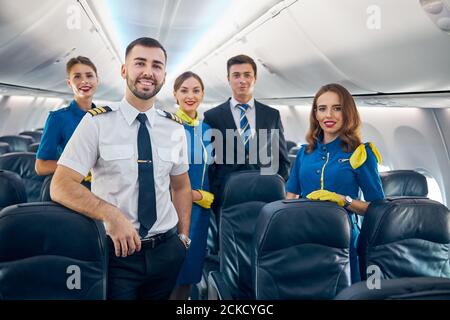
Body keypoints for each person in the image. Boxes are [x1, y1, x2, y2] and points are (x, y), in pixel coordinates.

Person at [50, 37, 192, 299]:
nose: (148, 72)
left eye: (157, 66)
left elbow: (181, 186)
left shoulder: (174, 128)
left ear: (164, 75)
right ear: (124, 70)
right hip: (116, 252)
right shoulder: (97, 123)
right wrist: (111, 215)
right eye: (140, 63)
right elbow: (60, 185)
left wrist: (183, 238)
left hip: (166, 251)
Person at [286, 83, 385, 283]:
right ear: (315, 114)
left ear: (347, 112)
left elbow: (377, 210)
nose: (328, 115)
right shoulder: (305, 154)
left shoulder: (360, 153)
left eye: (337, 108)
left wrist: (344, 200)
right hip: (303, 238)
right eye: (322, 108)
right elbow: (288, 201)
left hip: (344, 240)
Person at [203, 54, 290, 210]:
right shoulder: (212, 117)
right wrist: (217, 191)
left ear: (254, 78)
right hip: (226, 197)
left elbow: (282, 159)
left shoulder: (272, 115)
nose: (242, 80)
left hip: (266, 196)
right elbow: (208, 163)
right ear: (228, 79)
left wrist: (275, 186)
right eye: (236, 75)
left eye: (247, 75)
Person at [170, 71, 214, 300]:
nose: (190, 95)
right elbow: (161, 176)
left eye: (196, 90)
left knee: (190, 274)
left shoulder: (206, 130)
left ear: (202, 94)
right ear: (175, 94)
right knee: (171, 274)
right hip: (174, 210)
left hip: (201, 215)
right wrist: (195, 195)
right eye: (184, 90)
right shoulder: (167, 127)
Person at [35, 56, 98, 177]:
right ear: (69, 83)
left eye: (89, 76)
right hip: (76, 184)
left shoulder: (105, 117)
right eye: (77, 76)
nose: (84, 81)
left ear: (97, 80)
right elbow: (40, 166)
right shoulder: (58, 118)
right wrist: (79, 168)